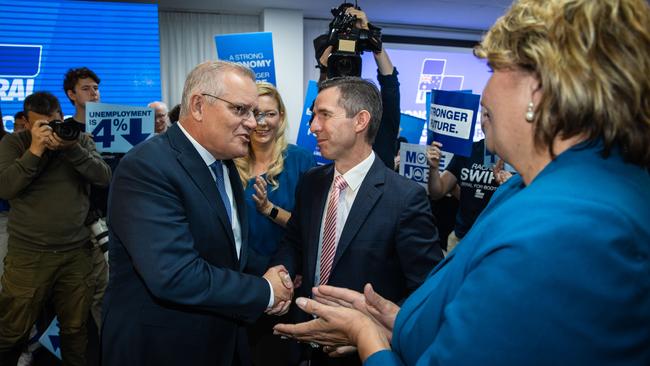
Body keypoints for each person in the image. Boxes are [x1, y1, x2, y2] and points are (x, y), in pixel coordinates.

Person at [273, 0, 650, 364]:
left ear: (541, 88)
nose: (484, 94)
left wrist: (363, 333)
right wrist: (397, 321)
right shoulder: (521, 191)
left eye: (494, 69)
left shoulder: (570, 229)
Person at [101, 60, 294, 366]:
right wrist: (265, 290)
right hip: (161, 349)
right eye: (240, 110)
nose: (253, 123)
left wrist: (278, 276)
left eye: (254, 113)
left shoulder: (225, 164)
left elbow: (225, 251)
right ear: (199, 106)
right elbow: (174, 275)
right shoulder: (147, 166)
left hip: (218, 341)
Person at [272, 77, 443, 365]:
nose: (313, 126)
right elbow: (294, 241)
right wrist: (279, 273)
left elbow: (427, 290)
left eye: (324, 115)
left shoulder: (404, 198)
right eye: (314, 116)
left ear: (360, 121)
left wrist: (372, 332)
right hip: (302, 343)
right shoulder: (311, 182)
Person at [0, 91, 111, 366]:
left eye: (55, 121)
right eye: (43, 125)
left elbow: (103, 177)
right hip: (29, 254)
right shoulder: (14, 143)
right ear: (27, 123)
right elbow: (5, 188)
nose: (52, 130)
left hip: (76, 253)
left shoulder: (79, 139)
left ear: (62, 116)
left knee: (75, 329)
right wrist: (35, 151)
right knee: (12, 328)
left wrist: (71, 148)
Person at [234, 82, 316, 365]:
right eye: (255, 113)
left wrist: (269, 209)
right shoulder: (230, 160)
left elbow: (310, 227)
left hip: (287, 279)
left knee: (281, 356)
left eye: (269, 114)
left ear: (281, 116)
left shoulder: (301, 161)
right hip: (240, 281)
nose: (261, 122)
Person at [315, 7, 400, 169]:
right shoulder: (315, 180)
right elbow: (323, 103)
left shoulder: (382, 119)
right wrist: (325, 66)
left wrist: (371, 36)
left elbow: (390, 85)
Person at [426, 138, 501, 252]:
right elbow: (437, 192)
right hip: (461, 238)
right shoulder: (467, 149)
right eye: (484, 118)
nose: (486, 120)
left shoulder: (514, 152)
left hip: (495, 241)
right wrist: (433, 168)